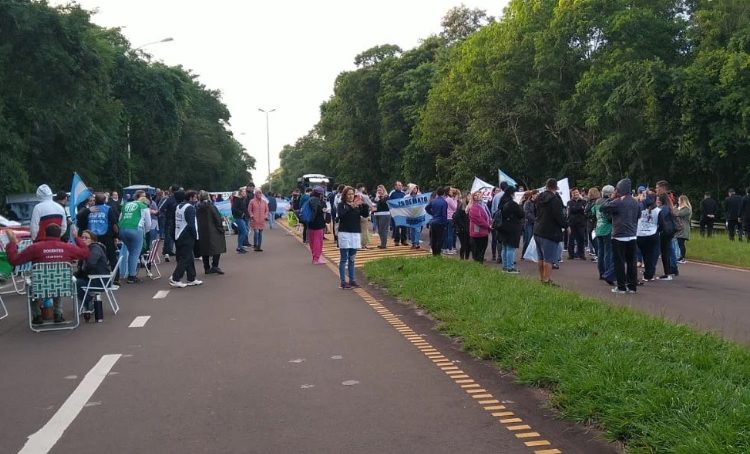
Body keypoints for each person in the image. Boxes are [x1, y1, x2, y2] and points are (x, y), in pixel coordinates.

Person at [5, 224, 89, 324]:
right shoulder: (67, 247)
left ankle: (37, 316)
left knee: (35, 283)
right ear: (59, 235)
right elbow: (85, 253)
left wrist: (12, 244)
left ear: (45, 233)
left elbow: (14, 260)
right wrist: (76, 238)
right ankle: (58, 314)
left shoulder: (35, 248)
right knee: (57, 277)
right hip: (62, 285)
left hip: (40, 286)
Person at [601, 178, 639, 294]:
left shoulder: (617, 202)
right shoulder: (635, 202)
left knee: (619, 262)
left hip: (619, 235)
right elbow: (639, 215)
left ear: (619, 189)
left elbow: (603, 208)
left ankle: (621, 287)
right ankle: (632, 286)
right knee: (632, 262)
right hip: (632, 235)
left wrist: (611, 198)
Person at [76, 193, 120, 284]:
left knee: (89, 256)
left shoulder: (90, 210)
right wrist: (116, 236)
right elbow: (114, 224)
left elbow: (79, 219)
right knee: (111, 256)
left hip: (92, 237)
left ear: (95, 201)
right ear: (104, 200)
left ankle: (86, 275)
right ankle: (116, 278)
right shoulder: (108, 209)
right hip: (106, 236)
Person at [533, 179, 566, 285]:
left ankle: (542, 278)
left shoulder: (539, 197)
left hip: (538, 229)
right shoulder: (555, 199)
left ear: (546, 186)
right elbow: (558, 216)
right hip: (550, 232)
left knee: (541, 257)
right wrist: (566, 225)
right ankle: (546, 280)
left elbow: (535, 212)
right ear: (555, 187)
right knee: (549, 259)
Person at [170, 190, 202, 288]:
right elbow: (191, 224)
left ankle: (191, 278)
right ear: (191, 197)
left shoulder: (179, 206)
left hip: (179, 234)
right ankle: (175, 278)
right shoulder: (190, 208)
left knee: (189, 257)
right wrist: (196, 235)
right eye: (195, 197)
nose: (196, 199)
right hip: (186, 235)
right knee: (185, 257)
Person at [118, 190, 151, 284]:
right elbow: (148, 223)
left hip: (123, 229)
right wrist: (145, 232)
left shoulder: (126, 205)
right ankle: (132, 276)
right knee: (134, 253)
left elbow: (120, 218)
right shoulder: (143, 206)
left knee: (129, 251)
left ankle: (124, 272)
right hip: (135, 229)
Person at [75, 230, 111, 312]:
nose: (83, 239)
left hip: (100, 280)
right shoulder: (88, 248)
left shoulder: (95, 249)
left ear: (92, 240)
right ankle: (85, 304)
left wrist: (81, 271)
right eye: (82, 237)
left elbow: (90, 264)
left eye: (86, 238)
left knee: (76, 283)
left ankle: (88, 301)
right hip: (94, 277)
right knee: (74, 279)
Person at [337, 186, 362, 289]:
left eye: (352, 194)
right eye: (349, 194)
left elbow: (364, 214)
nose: (351, 196)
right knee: (344, 259)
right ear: (345, 195)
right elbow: (341, 215)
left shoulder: (357, 205)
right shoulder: (341, 205)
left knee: (352, 259)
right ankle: (343, 282)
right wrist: (351, 207)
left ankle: (352, 280)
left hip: (355, 233)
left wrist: (363, 205)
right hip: (344, 233)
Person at [196, 190, 227, 275]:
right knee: (217, 248)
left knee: (205, 249)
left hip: (202, 231)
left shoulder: (197, 207)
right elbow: (217, 218)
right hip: (213, 230)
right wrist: (221, 228)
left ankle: (206, 267)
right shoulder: (211, 206)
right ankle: (215, 266)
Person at [592, 185, 616, 284]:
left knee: (600, 252)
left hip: (599, 228)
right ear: (610, 193)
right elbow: (610, 218)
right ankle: (607, 273)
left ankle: (601, 273)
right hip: (607, 229)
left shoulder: (597, 201)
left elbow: (593, 212)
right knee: (608, 252)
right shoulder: (609, 202)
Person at [636, 191, 661, 284]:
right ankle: (648, 274)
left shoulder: (640, 209)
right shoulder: (658, 211)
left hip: (640, 234)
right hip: (652, 234)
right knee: (651, 255)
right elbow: (661, 223)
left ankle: (647, 272)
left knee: (644, 254)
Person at [499, 186, 524, 273]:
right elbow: (521, 214)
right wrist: (519, 204)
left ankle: (505, 267)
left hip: (502, 227)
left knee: (504, 247)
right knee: (511, 248)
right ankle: (510, 267)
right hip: (512, 228)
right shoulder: (512, 203)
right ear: (512, 193)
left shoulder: (502, 201)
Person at [656, 193, 678, 280]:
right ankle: (668, 272)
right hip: (669, 231)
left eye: (658, 199)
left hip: (665, 232)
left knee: (665, 253)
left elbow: (659, 217)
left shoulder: (663, 208)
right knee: (666, 252)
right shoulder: (668, 207)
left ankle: (667, 273)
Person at [306, 186, 328, 264]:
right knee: (318, 242)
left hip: (310, 223)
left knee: (312, 241)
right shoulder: (319, 201)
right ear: (320, 194)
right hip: (318, 223)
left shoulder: (310, 199)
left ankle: (314, 257)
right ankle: (316, 259)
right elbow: (319, 211)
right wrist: (323, 209)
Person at [468, 190, 491, 262]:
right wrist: (488, 226)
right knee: (478, 250)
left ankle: (479, 263)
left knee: (482, 248)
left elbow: (487, 215)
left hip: (483, 231)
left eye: (479, 194)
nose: (478, 196)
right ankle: (477, 265)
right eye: (476, 195)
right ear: (473, 197)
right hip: (477, 232)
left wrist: (490, 222)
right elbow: (478, 219)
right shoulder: (474, 207)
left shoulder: (483, 205)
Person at [425, 187, 448, 256]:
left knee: (433, 238)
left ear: (437, 193)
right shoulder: (444, 202)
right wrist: (445, 223)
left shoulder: (433, 201)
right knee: (440, 238)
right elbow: (444, 214)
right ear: (443, 193)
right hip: (440, 222)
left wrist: (432, 213)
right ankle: (438, 253)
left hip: (433, 221)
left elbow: (427, 208)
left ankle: (434, 252)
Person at [566, 188, 587, 260]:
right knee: (571, 239)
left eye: (577, 192)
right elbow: (572, 210)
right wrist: (580, 208)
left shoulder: (583, 201)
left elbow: (584, 210)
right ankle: (571, 254)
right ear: (572, 194)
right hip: (572, 223)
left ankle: (581, 254)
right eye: (574, 193)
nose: (576, 194)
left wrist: (578, 208)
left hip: (581, 223)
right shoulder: (569, 202)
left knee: (581, 239)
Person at [389, 181, 408, 246]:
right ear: (395, 186)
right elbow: (389, 202)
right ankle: (396, 241)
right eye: (399, 185)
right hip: (396, 213)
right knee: (396, 227)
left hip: (403, 212)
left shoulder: (404, 194)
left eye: (401, 185)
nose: (400, 186)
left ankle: (404, 240)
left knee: (404, 227)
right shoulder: (392, 193)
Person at [453, 194, 471, 260]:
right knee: (464, 244)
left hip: (469, 228)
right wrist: (463, 227)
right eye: (468, 196)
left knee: (469, 244)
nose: (470, 197)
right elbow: (457, 218)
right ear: (465, 197)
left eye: (470, 196)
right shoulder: (462, 206)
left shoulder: (471, 205)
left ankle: (467, 258)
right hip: (462, 229)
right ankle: (461, 258)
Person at [231, 188, 249, 254]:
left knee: (241, 232)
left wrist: (247, 215)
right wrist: (242, 213)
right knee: (244, 232)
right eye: (244, 191)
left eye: (245, 192)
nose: (245, 193)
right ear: (240, 192)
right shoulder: (237, 199)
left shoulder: (242, 199)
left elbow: (244, 209)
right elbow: (233, 209)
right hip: (238, 218)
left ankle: (240, 247)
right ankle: (239, 247)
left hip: (241, 218)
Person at [373, 185, 391, 249]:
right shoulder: (376, 197)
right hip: (377, 214)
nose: (379, 191)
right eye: (378, 190)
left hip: (385, 214)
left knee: (383, 230)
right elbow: (374, 205)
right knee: (380, 230)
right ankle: (382, 243)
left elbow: (383, 203)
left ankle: (384, 244)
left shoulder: (386, 196)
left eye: (380, 190)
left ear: (383, 190)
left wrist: (379, 198)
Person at [675, 195, 692, 263]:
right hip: (680, 228)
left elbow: (678, 214)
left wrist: (676, 209)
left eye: (679, 200)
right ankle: (681, 257)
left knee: (681, 243)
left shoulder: (686, 209)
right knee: (680, 243)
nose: (678, 202)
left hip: (683, 228)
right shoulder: (681, 208)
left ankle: (682, 257)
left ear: (682, 201)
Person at [521, 191, 536, 256]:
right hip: (528, 223)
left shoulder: (538, 203)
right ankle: (524, 254)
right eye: (536, 194)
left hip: (536, 223)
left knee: (535, 239)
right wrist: (535, 219)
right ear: (532, 195)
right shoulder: (527, 203)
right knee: (528, 238)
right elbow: (527, 213)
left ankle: (531, 254)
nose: (537, 196)